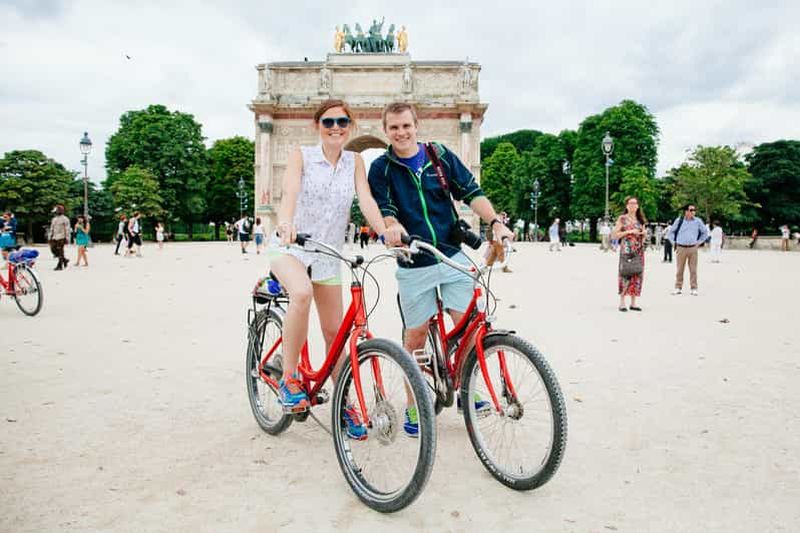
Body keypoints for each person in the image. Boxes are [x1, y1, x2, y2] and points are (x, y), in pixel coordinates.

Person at [368, 102, 514, 436]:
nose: (401, 133)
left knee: (466, 328)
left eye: (406, 125)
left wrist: (494, 222)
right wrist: (392, 229)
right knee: (415, 337)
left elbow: (471, 190)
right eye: (394, 128)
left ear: (416, 124)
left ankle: (467, 388)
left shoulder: (440, 155)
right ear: (385, 130)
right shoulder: (381, 168)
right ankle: (414, 404)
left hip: (451, 254)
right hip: (414, 259)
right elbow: (386, 208)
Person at [266, 99, 387, 439]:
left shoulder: (356, 161)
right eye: (329, 122)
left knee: (336, 335)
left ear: (351, 126)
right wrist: (286, 222)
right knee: (301, 294)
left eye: (342, 122)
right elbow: (289, 191)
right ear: (317, 125)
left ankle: (343, 402)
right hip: (291, 245)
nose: (336, 128)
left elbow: (366, 200)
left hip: (328, 254)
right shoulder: (300, 154)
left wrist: (385, 231)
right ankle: (289, 378)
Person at [612, 197, 646, 311]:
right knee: (625, 274)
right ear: (626, 206)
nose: (633, 205)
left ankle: (633, 302)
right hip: (626, 250)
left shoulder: (640, 220)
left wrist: (644, 234)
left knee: (637, 274)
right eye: (630, 203)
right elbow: (614, 235)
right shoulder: (622, 219)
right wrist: (629, 232)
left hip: (639, 251)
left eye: (635, 203)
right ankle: (622, 301)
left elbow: (644, 238)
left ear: (638, 206)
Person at [667, 204, 709, 296]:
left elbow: (705, 232)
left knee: (693, 269)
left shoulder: (698, 221)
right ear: (686, 211)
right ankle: (678, 287)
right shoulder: (679, 220)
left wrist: (699, 242)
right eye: (691, 210)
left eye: (694, 210)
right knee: (679, 269)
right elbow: (670, 233)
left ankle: (694, 288)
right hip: (681, 247)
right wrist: (673, 242)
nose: (693, 212)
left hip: (693, 248)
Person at [50, 205, 71, 270]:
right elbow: (52, 228)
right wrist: (50, 236)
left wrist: (67, 238)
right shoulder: (54, 219)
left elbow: (67, 229)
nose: (55, 212)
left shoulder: (65, 219)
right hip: (54, 237)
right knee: (53, 249)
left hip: (61, 237)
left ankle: (59, 265)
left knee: (60, 251)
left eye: (56, 211)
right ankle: (64, 260)